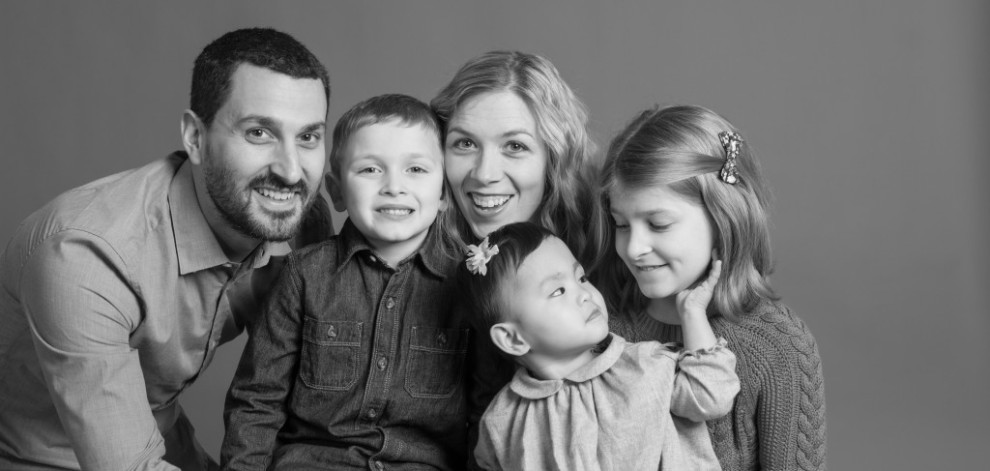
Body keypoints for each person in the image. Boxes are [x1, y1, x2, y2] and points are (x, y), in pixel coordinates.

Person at [0, 28, 331, 471]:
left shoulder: (294, 218)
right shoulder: (85, 256)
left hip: (162, 441)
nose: (290, 172)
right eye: (258, 132)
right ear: (195, 137)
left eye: (308, 137)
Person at [221, 94, 470, 470]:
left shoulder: (466, 283)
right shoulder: (303, 275)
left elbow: (485, 408)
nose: (394, 187)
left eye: (416, 169)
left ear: (444, 193)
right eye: (370, 169)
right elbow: (257, 399)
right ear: (337, 191)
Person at [601, 105, 827, 470]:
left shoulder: (777, 347)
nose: (633, 248)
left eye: (658, 224)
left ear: (723, 219)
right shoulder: (602, 329)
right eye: (622, 225)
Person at [430, 51, 606, 465]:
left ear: (553, 159)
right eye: (465, 143)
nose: (484, 173)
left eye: (514, 146)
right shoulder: (418, 263)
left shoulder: (603, 260)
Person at [457, 222, 739, 470]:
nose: (584, 294)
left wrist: (692, 313)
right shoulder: (503, 421)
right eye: (558, 291)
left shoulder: (646, 364)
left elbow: (711, 396)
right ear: (513, 339)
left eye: (581, 278)